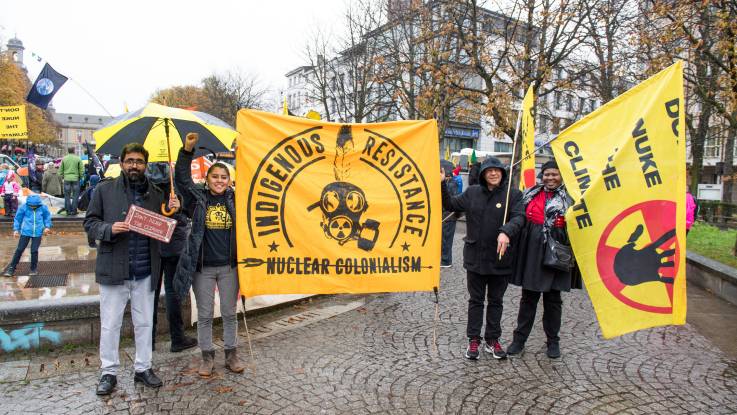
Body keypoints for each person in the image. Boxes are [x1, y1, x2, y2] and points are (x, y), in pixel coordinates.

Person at [84, 143, 179, 395]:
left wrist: (174, 209)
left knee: (145, 323)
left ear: (145, 165)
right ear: (122, 162)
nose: (134, 165)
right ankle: (108, 372)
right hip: (114, 269)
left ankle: (143, 368)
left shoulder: (157, 193)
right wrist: (109, 229)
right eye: (129, 160)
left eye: (139, 161)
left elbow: (168, 226)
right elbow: (90, 223)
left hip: (146, 270)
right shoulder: (104, 190)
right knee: (110, 324)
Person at [173, 132, 245, 377]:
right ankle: (207, 357)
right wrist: (186, 151)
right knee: (204, 315)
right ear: (207, 178)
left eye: (224, 177)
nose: (219, 180)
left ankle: (231, 354)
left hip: (229, 267)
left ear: (229, 180)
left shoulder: (235, 199)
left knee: (229, 313)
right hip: (202, 268)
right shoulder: (198, 200)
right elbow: (181, 180)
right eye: (215, 176)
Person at [441, 157, 525, 360]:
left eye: (497, 170)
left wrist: (506, 231)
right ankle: (473, 340)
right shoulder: (472, 193)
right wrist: (442, 183)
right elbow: (451, 204)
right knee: (476, 301)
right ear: (483, 174)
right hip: (475, 258)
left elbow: (519, 217)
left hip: (500, 258)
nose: (494, 174)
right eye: (489, 171)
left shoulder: (513, 195)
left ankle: (492, 340)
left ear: (502, 174)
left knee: (496, 301)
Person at [508, 161, 582, 359]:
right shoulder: (531, 193)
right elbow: (518, 215)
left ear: (562, 175)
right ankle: (519, 340)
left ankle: (553, 342)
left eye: (554, 174)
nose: (550, 178)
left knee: (553, 300)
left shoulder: (571, 197)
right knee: (528, 298)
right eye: (547, 174)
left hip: (557, 251)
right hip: (532, 251)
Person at [2, 194, 52, 277]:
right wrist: (16, 230)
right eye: (31, 206)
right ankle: (11, 268)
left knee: (34, 250)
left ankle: (33, 269)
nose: (33, 207)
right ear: (28, 204)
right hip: (26, 231)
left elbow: (47, 217)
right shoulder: (23, 207)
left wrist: (47, 226)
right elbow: (18, 219)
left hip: (38, 232)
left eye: (35, 206)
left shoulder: (43, 207)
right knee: (19, 249)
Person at [441, 168, 461, 268]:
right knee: (444, 239)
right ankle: (444, 259)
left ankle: (446, 261)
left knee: (446, 239)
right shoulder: (451, 182)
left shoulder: (451, 183)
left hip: (448, 216)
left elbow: (451, 201)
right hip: (447, 215)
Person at [60, 146, 84, 216]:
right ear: (74, 150)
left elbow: (60, 170)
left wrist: (63, 176)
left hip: (67, 179)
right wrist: (80, 176)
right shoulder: (78, 159)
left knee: (67, 196)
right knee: (75, 195)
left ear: (68, 151)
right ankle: (74, 211)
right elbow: (82, 170)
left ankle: (68, 210)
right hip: (75, 179)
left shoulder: (64, 159)